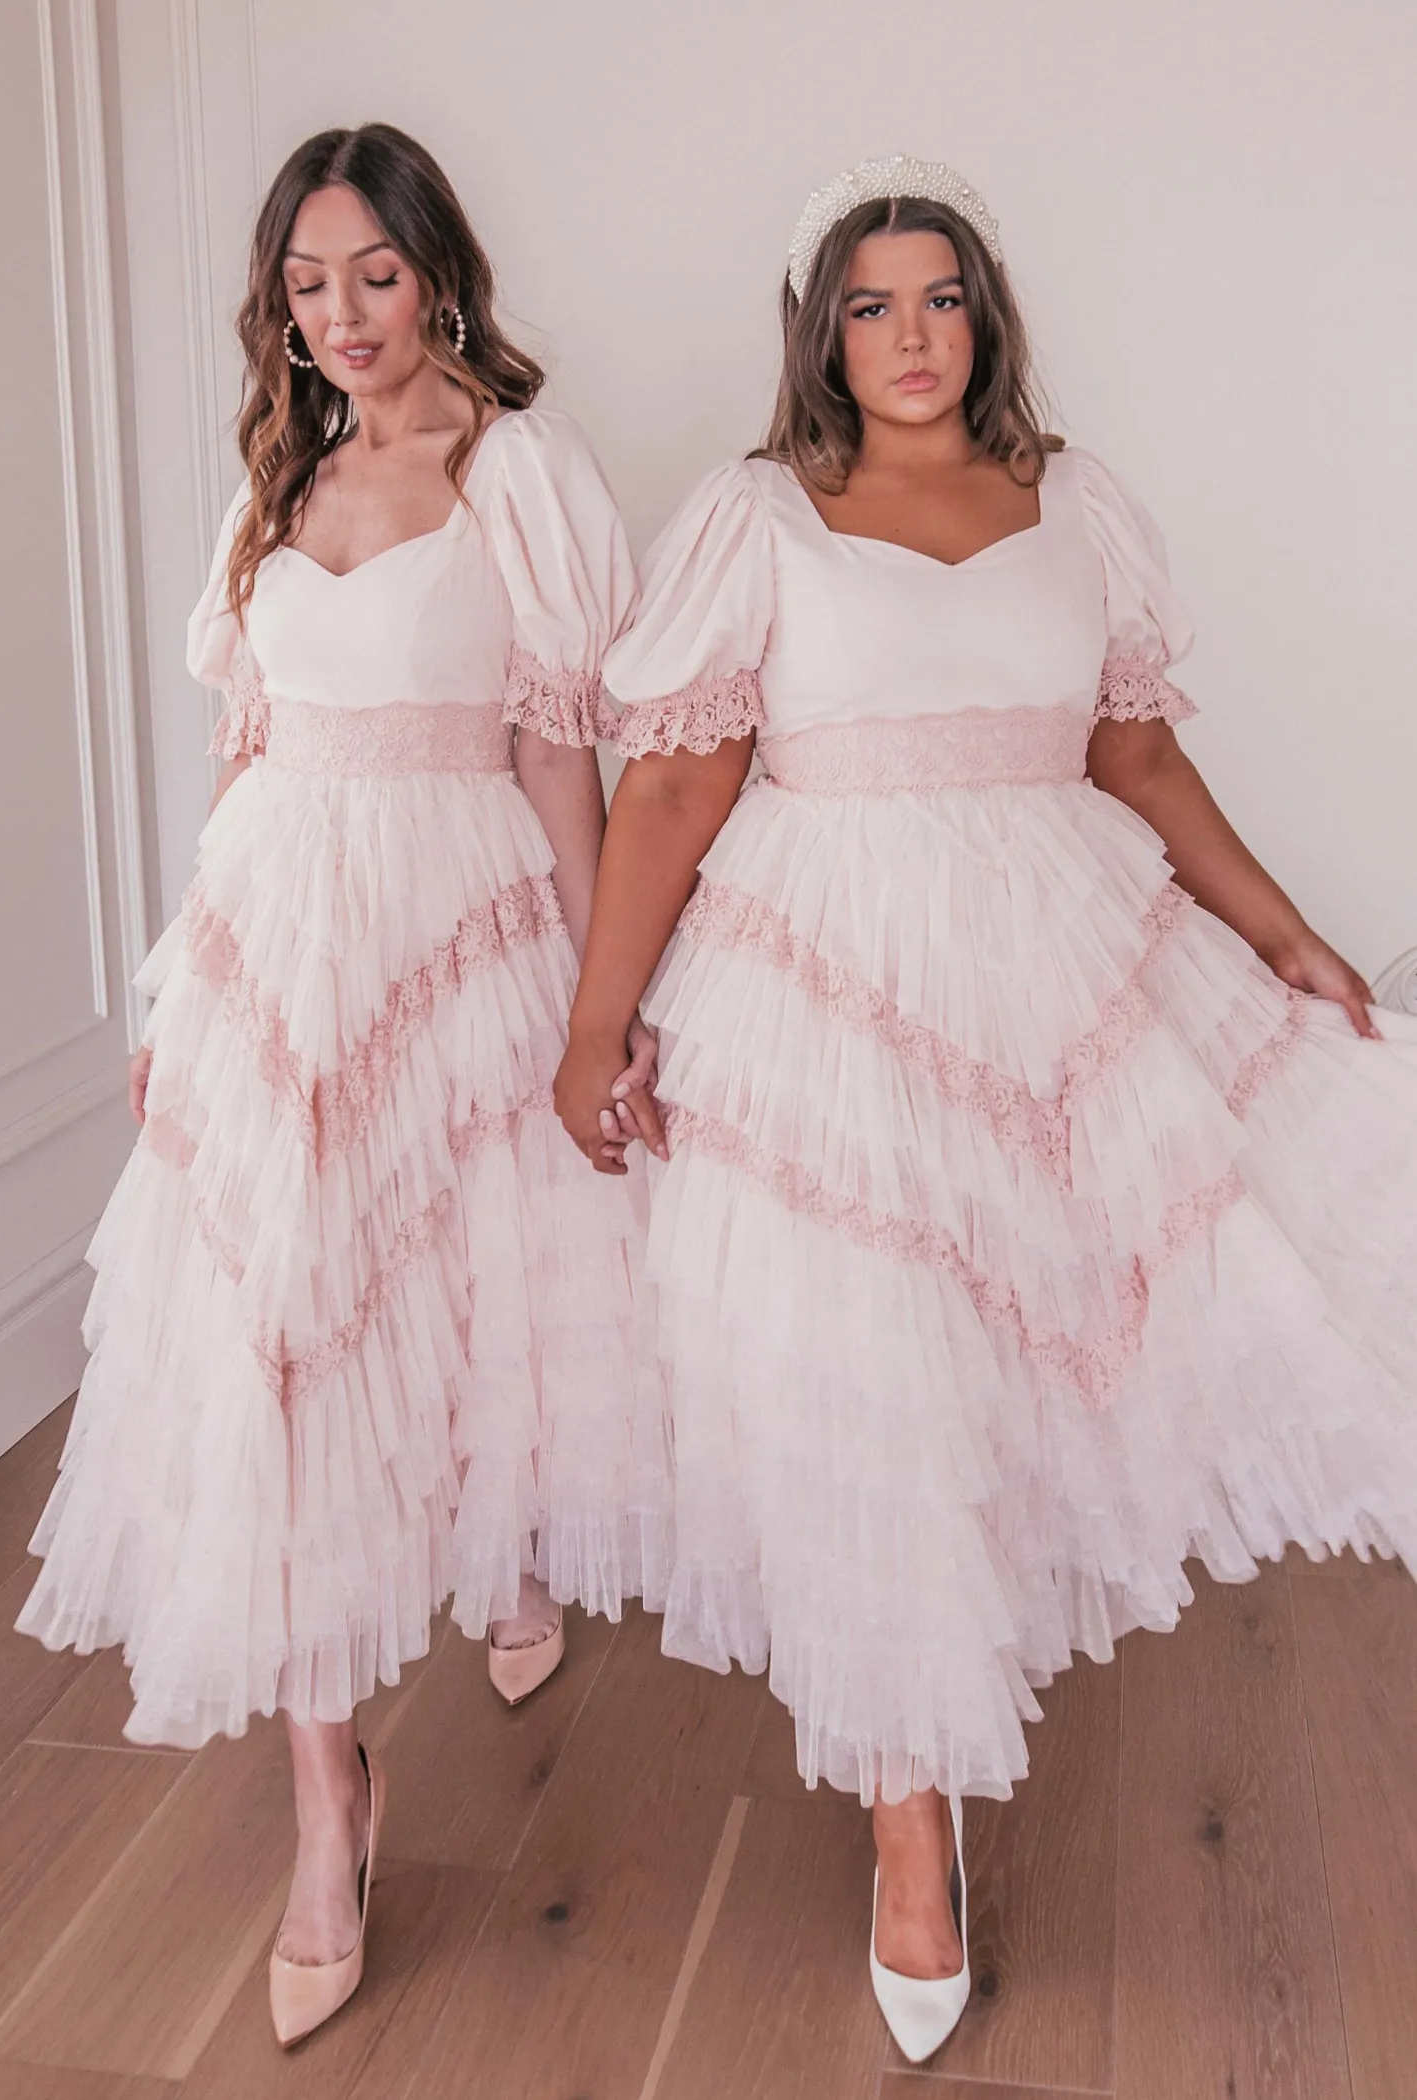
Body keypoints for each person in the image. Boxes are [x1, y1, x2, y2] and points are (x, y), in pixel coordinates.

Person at [554, 155, 1417, 2063]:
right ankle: (910, 1834)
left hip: (1058, 969)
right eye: (871, 305)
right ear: (822, 336)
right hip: (830, 990)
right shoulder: (760, 518)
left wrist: (1286, 933)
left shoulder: (1073, 506)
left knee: (1039, 1364)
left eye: (940, 297)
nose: (912, 335)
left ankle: (959, 1692)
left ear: (987, 317)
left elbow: (1138, 757)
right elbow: (676, 790)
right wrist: (596, 1021)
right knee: (877, 1382)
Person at [18, 122, 666, 2046]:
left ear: (437, 269)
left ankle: (511, 1554)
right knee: (284, 1344)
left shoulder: (520, 472)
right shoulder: (273, 473)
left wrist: (602, 1004)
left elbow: (556, 757)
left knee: (470, 1290)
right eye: (307, 286)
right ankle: (330, 1804)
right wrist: (182, 991)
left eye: (373, 274)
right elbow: (249, 755)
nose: (342, 316)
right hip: (276, 941)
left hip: (456, 924)